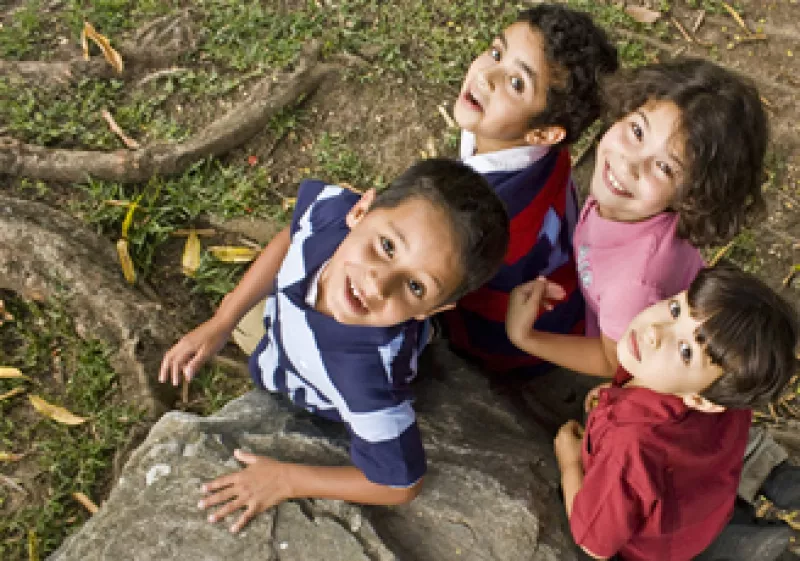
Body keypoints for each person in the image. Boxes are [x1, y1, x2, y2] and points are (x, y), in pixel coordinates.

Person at [505, 59, 797, 559]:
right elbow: (649, 362)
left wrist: (570, 458)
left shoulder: (639, 299)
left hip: (653, 541)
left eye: (665, 166)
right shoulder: (687, 353)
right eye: (637, 130)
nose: (630, 162)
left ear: (694, 193)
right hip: (691, 462)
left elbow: (594, 541)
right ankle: (756, 492)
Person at [159, 158, 509, 534]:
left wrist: (287, 480)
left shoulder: (366, 379)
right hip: (277, 338)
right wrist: (223, 319)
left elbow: (400, 483)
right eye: (388, 246)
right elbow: (295, 233)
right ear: (359, 209)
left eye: (416, 287)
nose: (377, 286)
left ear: (432, 310)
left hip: (309, 393)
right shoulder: (330, 213)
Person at [550, 264, 797, 560]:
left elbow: (594, 543)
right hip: (705, 502)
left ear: (702, 401)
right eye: (676, 310)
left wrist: (569, 463)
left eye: (685, 352)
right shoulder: (727, 387)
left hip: (662, 546)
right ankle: (741, 533)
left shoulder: (627, 443)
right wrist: (614, 393)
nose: (654, 331)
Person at [441, 4, 618, 375]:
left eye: (517, 83)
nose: (487, 75)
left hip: (499, 344)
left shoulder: (478, 214)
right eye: (496, 52)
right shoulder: (544, 151)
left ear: (543, 133)